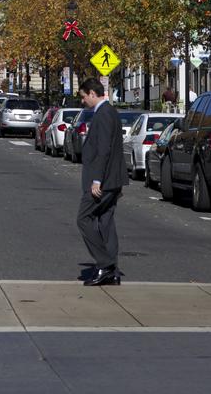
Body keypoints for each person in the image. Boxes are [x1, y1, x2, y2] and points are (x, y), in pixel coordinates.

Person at [75, 78, 126, 287]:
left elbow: (104, 150)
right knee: (106, 222)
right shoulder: (110, 112)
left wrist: (97, 180)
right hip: (113, 179)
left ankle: (105, 264)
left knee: (84, 218)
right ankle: (111, 272)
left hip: (103, 181)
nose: (83, 101)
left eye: (84, 96)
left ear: (92, 94)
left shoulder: (104, 114)